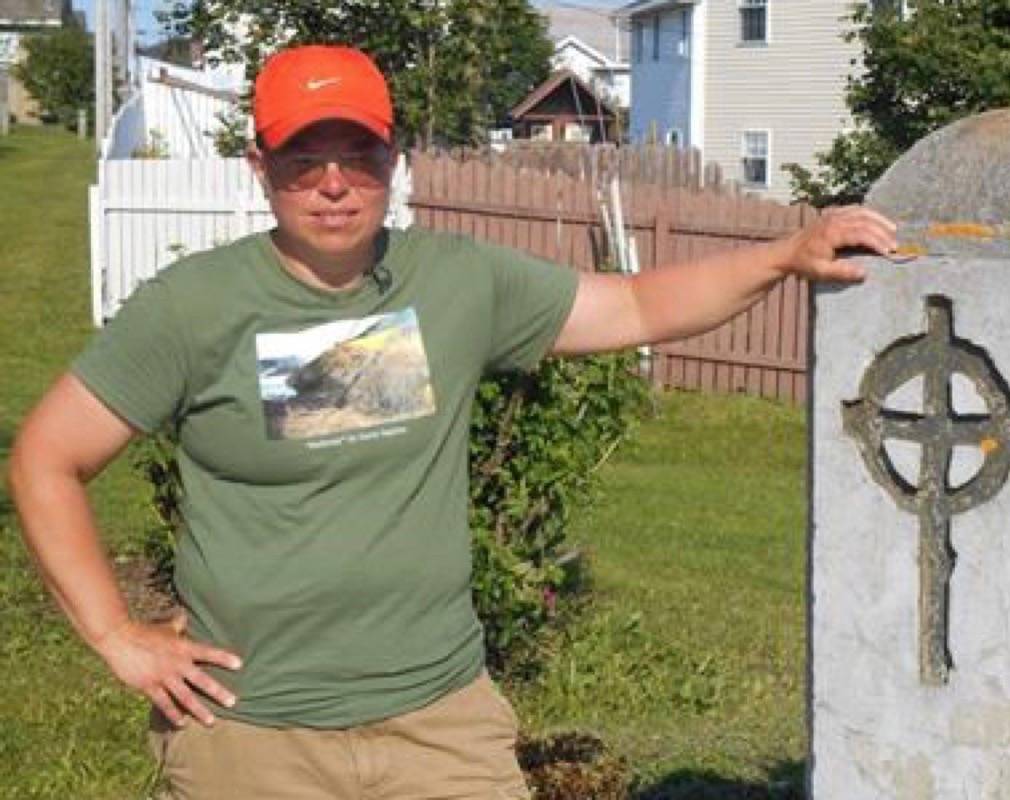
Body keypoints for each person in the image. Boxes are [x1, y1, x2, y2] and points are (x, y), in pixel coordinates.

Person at [7, 45, 897, 799]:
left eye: (357, 155)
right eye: (301, 158)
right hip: (253, 738)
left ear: (392, 160)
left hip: (440, 726)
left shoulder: (458, 283)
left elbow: (633, 306)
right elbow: (46, 459)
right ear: (258, 165)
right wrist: (114, 635)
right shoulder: (192, 309)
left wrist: (785, 254)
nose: (332, 185)